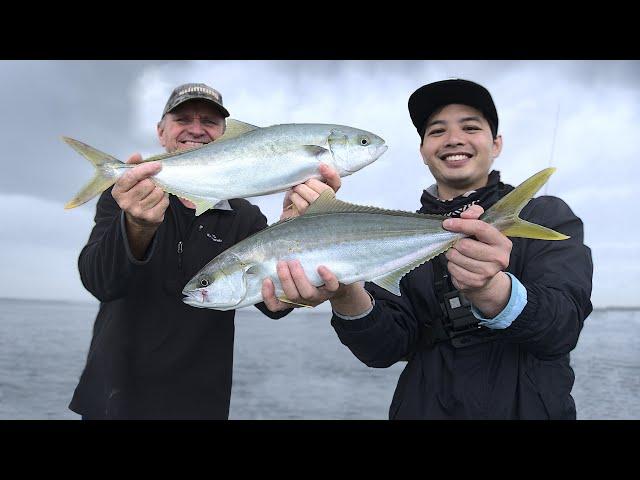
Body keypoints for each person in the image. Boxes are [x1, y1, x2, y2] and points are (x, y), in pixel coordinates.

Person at [262, 79, 594, 419]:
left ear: (496, 144)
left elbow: (563, 327)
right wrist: (345, 291)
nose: (454, 139)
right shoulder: (396, 236)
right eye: (437, 131)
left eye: (470, 127)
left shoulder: (547, 215)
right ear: (422, 151)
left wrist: (494, 291)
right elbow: (384, 349)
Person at [69, 83, 341, 419]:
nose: (196, 129)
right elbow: (100, 281)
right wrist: (136, 226)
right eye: (182, 118)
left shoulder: (243, 215)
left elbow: (274, 305)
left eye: (209, 122)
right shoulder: (125, 195)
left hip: (200, 404)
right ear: (161, 131)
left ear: (226, 133)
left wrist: (293, 234)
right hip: (113, 398)